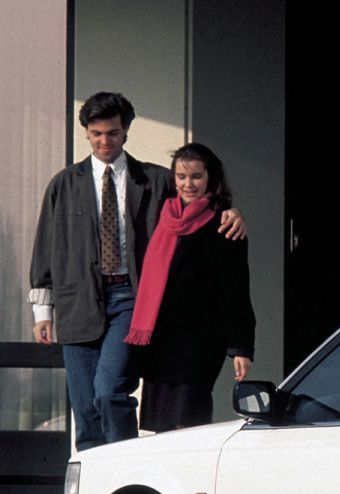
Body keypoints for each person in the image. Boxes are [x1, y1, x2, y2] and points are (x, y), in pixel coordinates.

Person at [29, 91, 245, 451]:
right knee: (85, 408)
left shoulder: (155, 180)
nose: (104, 141)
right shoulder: (64, 184)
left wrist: (231, 212)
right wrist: (42, 310)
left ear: (126, 131)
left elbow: (193, 207)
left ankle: (125, 473)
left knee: (110, 391)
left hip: (131, 300)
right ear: (86, 133)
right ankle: (94, 492)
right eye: (96, 133)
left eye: (112, 133)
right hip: (77, 303)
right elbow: (45, 248)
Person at [126, 143, 256, 431]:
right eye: (182, 177)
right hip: (160, 342)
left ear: (211, 178)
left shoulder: (224, 225)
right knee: (158, 428)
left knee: (187, 423)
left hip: (199, 343)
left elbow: (236, 292)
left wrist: (241, 347)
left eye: (196, 176)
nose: (188, 184)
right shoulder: (162, 217)